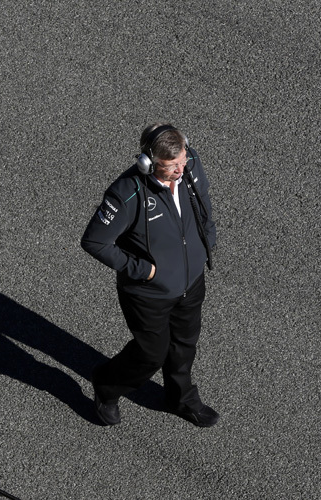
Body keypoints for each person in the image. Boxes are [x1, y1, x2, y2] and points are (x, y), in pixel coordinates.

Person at [80, 122, 218, 427]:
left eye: (182, 160)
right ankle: (106, 384)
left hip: (191, 282)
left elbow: (203, 199)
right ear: (149, 162)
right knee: (151, 354)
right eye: (171, 166)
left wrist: (208, 238)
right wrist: (143, 270)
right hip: (148, 293)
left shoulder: (190, 162)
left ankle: (180, 398)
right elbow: (94, 241)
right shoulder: (126, 193)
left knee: (185, 344)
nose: (181, 169)